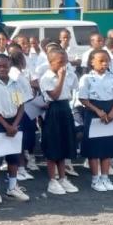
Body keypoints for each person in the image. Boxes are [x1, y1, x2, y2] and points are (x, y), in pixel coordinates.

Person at [0, 54, 29, 203]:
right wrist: (6, 125)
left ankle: (12, 187)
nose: (2, 69)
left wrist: (14, 125)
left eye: (5, 66)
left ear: (10, 66)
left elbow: (21, 105)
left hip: (14, 122)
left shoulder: (15, 84)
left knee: (14, 156)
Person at [77, 50, 113, 192]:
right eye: (101, 61)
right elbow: (83, 98)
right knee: (94, 148)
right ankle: (95, 179)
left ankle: (105, 177)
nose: (104, 64)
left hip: (110, 113)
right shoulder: (87, 78)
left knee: (107, 147)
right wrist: (97, 111)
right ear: (92, 62)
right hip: (94, 112)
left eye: (106, 61)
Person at [39, 49, 78, 195]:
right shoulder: (46, 78)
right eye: (60, 62)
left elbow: (73, 89)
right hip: (54, 110)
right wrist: (61, 77)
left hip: (65, 109)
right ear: (50, 63)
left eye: (65, 62)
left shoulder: (69, 75)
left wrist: (65, 76)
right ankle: (52, 180)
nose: (63, 65)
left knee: (63, 144)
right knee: (53, 145)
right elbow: (54, 95)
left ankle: (62, 178)